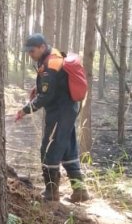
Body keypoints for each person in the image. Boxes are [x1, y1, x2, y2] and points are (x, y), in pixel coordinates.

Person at [14, 33, 89, 203]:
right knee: (68, 149)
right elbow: (53, 82)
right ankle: (80, 192)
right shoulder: (52, 56)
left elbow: (46, 97)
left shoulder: (51, 63)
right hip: (67, 110)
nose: (30, 54)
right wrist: (38, 87)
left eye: (32, 51)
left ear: (41, 47)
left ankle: (51, 192)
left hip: (60, 112)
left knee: (49, 149)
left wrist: (24, 110)